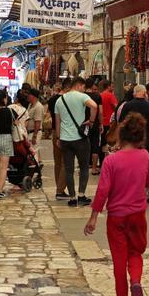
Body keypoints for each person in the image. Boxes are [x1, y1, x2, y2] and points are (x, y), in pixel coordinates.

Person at [85, 112, 149, 296]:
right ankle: (136, 281)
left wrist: (93, 217)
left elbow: (103, 191)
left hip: (116, 217)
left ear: (121, 136)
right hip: (138, 214)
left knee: (119, 260)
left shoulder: (111, 161)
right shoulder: (145, 156)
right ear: (140, 137)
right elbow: (148, 184)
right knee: (135, 253)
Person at [54, 76, 98, 206]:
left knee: (68, 169)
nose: (84, 91)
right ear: (79, 86)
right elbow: (94, 106)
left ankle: (72, 198)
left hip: (65, 139)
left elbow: (57, 122)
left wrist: (58, 137)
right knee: (84, 167)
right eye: (84, 88)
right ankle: (81, 195)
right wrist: (91, 121)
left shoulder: (59, 100)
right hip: (80, 139)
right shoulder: (81, 96)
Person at [45, 82, 69, 200]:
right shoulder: (66, 100)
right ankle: (60, 189)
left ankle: (59, 187)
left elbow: (51, 115)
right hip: (65, 132)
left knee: (57, 161)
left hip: (55, 131)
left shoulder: (52, 100)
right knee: (66, 161)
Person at [87, 78, 105, 174]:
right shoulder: (97, 96)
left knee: (84, 145)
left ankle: (85, 168)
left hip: (84, 124)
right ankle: (94, 168)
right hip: (95, 124)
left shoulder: (82, 96)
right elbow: (101, 112)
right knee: (95, 145)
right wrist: (101, 123)